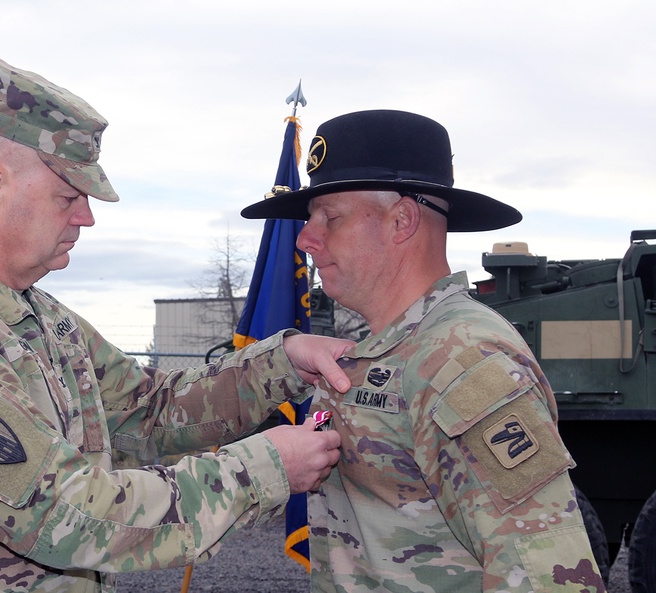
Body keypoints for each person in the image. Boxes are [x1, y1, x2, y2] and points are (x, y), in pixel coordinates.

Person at [0, 58, 354, 593]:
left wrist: (281, 362)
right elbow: (66, 515)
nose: (86, 217)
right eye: (68, 197)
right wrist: (264, 468)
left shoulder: (37, 317)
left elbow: (150, 411)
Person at [241, 109, 606, 592]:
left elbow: (549, 576)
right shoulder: (381, 352)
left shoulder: (463, 360)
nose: (306, 240)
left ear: (402, 220)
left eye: (329, 217)